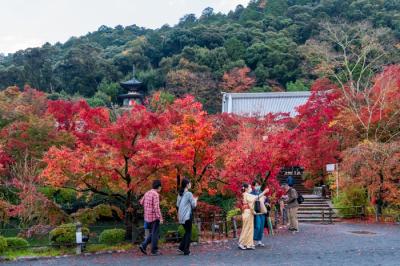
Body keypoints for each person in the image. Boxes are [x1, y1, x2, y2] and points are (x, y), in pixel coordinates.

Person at [238, 183, 269, 250]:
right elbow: (256, 197)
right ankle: (241, 243)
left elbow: (251, 204)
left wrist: (254, 212)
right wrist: (264, 192)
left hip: (249, 212)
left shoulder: (246, 194)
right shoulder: (246, 194)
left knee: (250, 228)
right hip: (247, 213)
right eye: (249, 187)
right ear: (246, 188)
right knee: (246, 228)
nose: (251, 188)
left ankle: (248, 244)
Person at [139, 180, 163, 256]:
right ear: (159, 187)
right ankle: (154, 250)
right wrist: (160, 218)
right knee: (155, 234)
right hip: (154, 217)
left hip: (147, 217)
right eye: (160, 187)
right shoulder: (155, 194)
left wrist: (147, 208)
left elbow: (141, 202)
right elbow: (156, 207)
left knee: (153, 233)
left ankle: (143, 245)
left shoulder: (147, 193)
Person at [176, 178, 197, 256]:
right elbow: (194, 205)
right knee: (189, 232)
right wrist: (195, 200)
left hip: (181, 216)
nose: (190, 184)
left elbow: (177, 205)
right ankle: (186, 250)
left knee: (187, 231)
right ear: (187, 185)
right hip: (187, 216)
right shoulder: (189, 194)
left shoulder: (179, 194)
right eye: (190, 183)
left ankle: (181, 248)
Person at [251, 180, 266, 247]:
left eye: (258, 185)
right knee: (257, 226)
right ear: (253, 186)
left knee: (261, 226)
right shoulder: (251, 193)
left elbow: (265, 201)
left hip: (262, 211)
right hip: (256, 212)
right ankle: (253, 241)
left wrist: (267, 203)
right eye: (256, 185)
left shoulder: (261, 192)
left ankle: (259, 241)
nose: (257, 186)